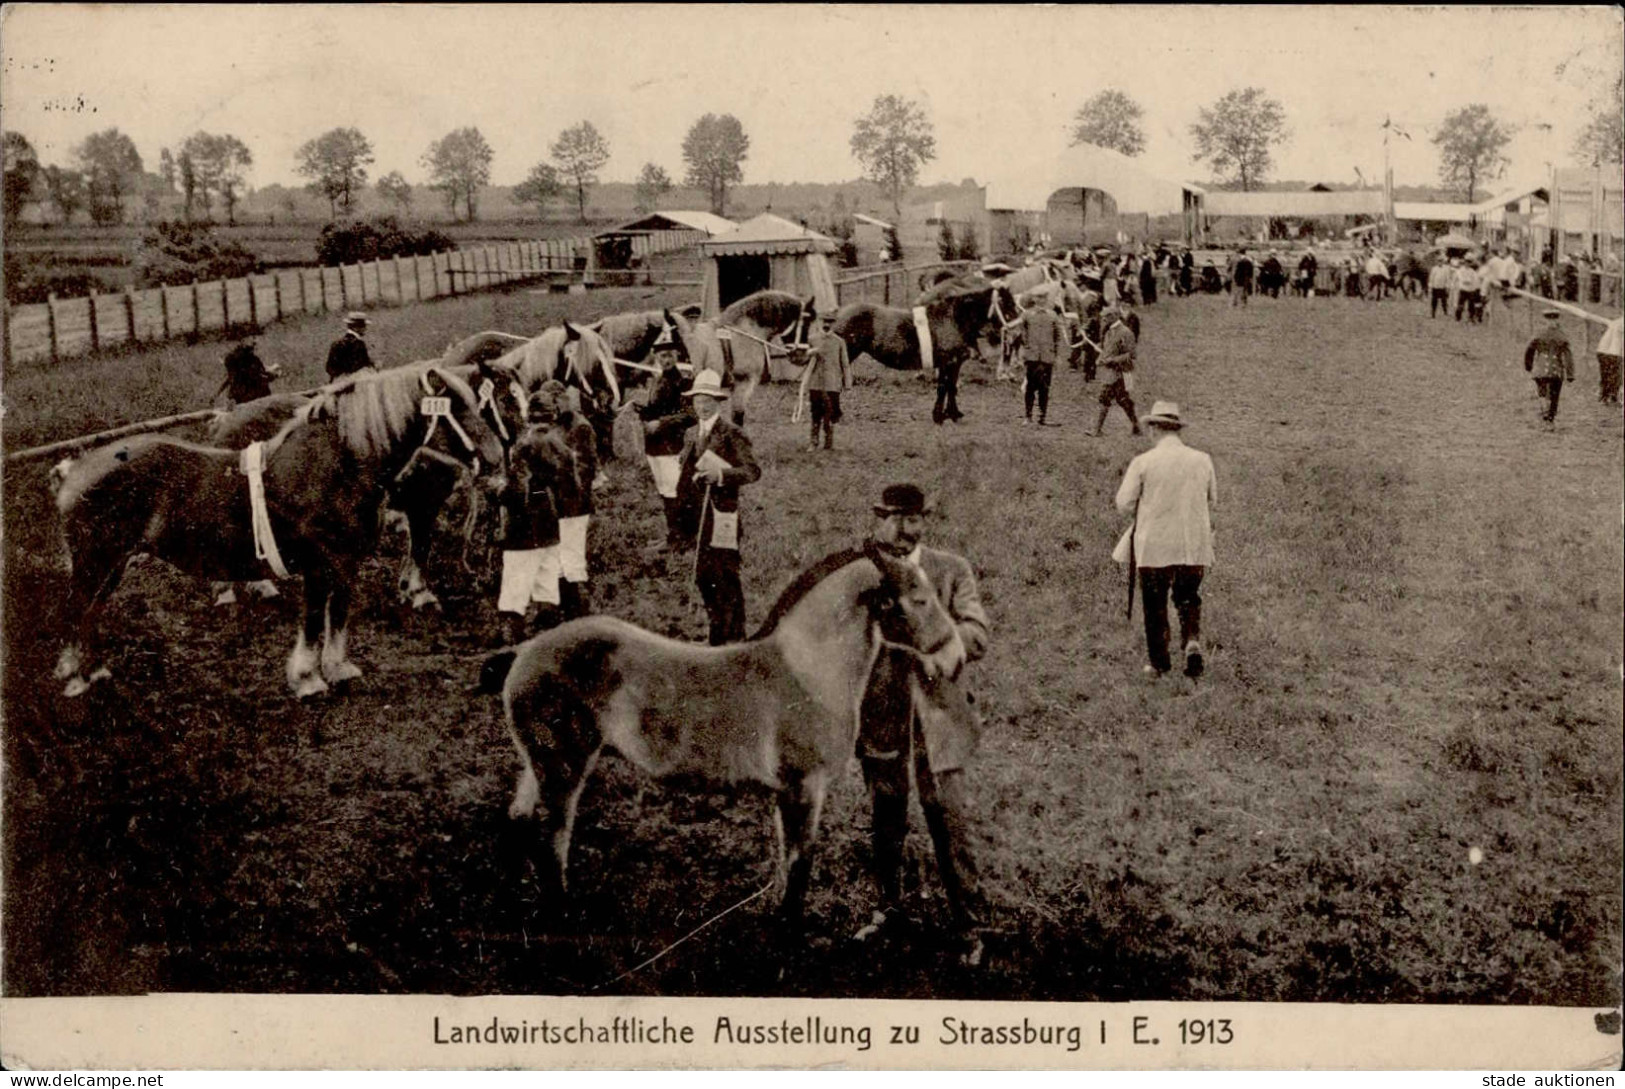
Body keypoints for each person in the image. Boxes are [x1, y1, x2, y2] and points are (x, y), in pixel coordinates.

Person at [855, 483, 990, 962]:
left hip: (938, 717)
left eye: (909, 519)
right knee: (886, 817)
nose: (899, 529)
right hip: (884, 715)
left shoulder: (951, 570)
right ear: (879, 520)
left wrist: (943, 649)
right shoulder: (864, 575)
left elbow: (976, 631)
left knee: (946, 820)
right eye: (889, 518)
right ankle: (889, 908)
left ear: (923, 523)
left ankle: (969, 927)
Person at [1114, 401, 1217, 679]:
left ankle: (1159, 663)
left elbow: (1123, 503)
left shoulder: (1144, 462)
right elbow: (1212, 499)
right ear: (1177, 429)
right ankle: (1191, 639)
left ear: (1156, 429)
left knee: (1154, 602)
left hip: (1154, 544)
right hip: (1192, 542)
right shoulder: (1202, 459)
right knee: (1188, 596)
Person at [675, 369, 761, 645]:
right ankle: (717, 635)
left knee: (725, 577)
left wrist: (722, 476)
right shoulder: (690, 433)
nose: (702, 405)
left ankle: (735, 636)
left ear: (717, 401)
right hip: (696, 515)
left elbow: (752, 471)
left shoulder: (731, 432)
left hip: (722, 515)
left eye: (708, 400)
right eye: (698, 400)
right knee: (704, 578)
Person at [496, 389, 573, 645]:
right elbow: (571, 488)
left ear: (529, 416)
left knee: (514, 592)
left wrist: (496, 491)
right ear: (552, 416)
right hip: (550, 525)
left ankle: (512, 644)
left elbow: (517, 489)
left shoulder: (523, 445)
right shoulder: (560, 444)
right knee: (547, 587)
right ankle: (548, 644)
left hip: (523, 526)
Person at [638, 348, 696, 551]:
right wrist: (643, 413)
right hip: (653, 446)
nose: (667, 359)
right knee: (664, 491)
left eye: (671, 355)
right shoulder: (656, 381)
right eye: (663, 356)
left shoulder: (684, 383)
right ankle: (672, 535)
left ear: (677, 356)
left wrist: (661, 423)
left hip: (671, 446)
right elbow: (654, 409)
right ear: (657, 358)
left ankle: (680, 538)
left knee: (674, 492)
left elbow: (691, 415)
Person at [553, 382, 598, 620]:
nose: (555, 405)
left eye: (557, 399)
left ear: (565, 399)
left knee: (572, 557)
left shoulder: (580, 427)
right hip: (558, 503)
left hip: (574, 503)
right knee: (560, 558)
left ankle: (580, 612)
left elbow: (585, 467)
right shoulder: (555, 426)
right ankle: (568, 609)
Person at [802, 310, 852, 450]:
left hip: (832, 384)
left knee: (830, 414)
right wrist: (809, 353)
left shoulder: (839, 342)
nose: (826, 324)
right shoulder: (812, 339)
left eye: (829, 322)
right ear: (819, 322)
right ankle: (813, 442)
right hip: (815, 383)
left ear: (834, 324)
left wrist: (847, 383)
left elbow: (845, 364)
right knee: (815, 413)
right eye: (824, 321)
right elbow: (803, 360)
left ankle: (828, 442)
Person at [1092, 303, 1141, 437]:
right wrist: (1100, 359)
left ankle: (1096, 430)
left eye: (1106, 317)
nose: (1104, 319)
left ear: (1114, 316)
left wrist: (1111, 360)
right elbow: (1106, 350)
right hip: (1111, 372)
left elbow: (1131, 355)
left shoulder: (1126, 332)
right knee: (1123, 400)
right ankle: (1136, 427)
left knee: (1105, 398)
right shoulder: (1108, 332)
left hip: (1122, 372)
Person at [1523, 308, 1575, 428]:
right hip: (1556, 369)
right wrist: (1570, 373)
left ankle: (1545, 415)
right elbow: (1568, 355)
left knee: (1542, 392)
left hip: (1540, 368)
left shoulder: (1539, 333)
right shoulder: (1561, 335)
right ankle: (1550, 417)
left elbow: (1529, 350)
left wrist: (1528, 365)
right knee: (1554, 394)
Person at [1021, 294, 1065, 426]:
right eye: (1039, 298)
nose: (1041, 301)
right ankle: (1028, 416)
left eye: (1044, 298)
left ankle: (1042, 416)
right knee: (1030, 387)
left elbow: (1057, 336)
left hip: (1047, 357)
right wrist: (1027, 350)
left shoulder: (1052, 315)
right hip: (1032, 357)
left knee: (1044, 388)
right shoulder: (1027, 315)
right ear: (1034, 299)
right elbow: (1023, 334)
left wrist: (1056, 355)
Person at [216, 340, 280, 407]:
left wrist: (218, 393)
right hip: (250, 393)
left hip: (238, 394)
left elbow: (229, 379)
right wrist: (271, 376)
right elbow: (260, 374)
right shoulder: (252, 361)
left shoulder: (235, 366)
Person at [326, 312, 374, 380]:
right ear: (356, 328)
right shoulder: (358, 344)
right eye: (363, 326)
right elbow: (362, 366)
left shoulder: (336, 343)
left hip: (336, 383)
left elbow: (329, 368)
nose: (365, 329)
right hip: (353, 383)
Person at [1597, 314, 1622, 405]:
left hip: (1602, 350)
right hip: (1614, 352)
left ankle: (1605, 396)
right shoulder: (1620, 323)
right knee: (1615, 375)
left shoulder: (1616, 322)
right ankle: (1612, 396)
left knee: (1606, 374)